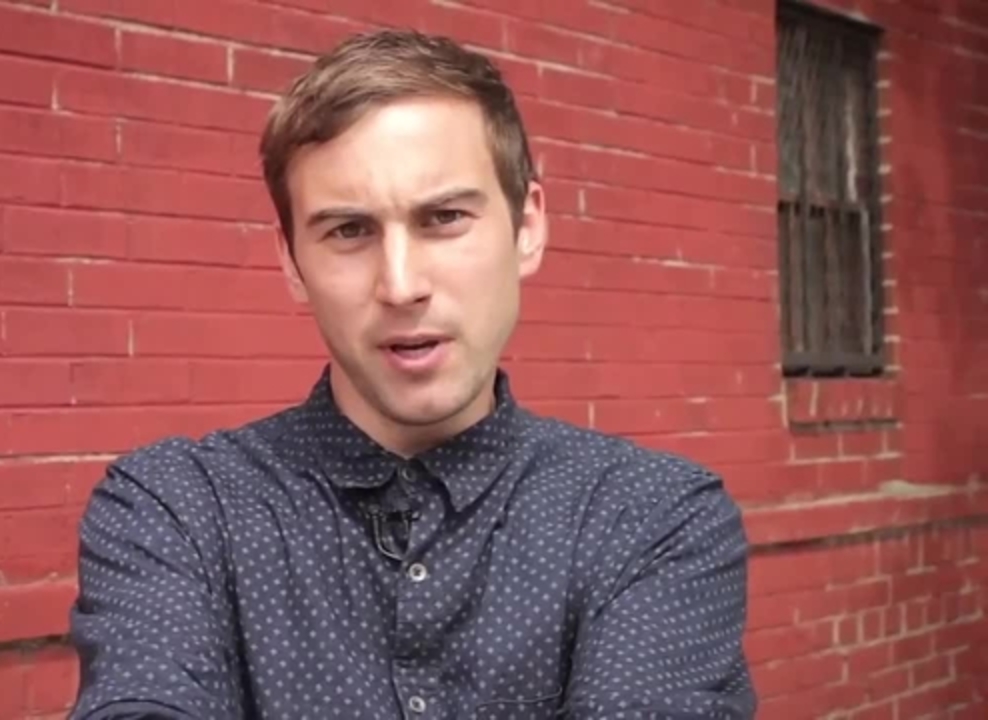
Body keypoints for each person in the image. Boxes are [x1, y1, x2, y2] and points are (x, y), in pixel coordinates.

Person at [67, 28, 757, 720]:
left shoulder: (650, 518)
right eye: (349, 231)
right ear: (291, 262)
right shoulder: (177, 512)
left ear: (527, 227)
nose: (400, 286)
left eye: (444, 218)